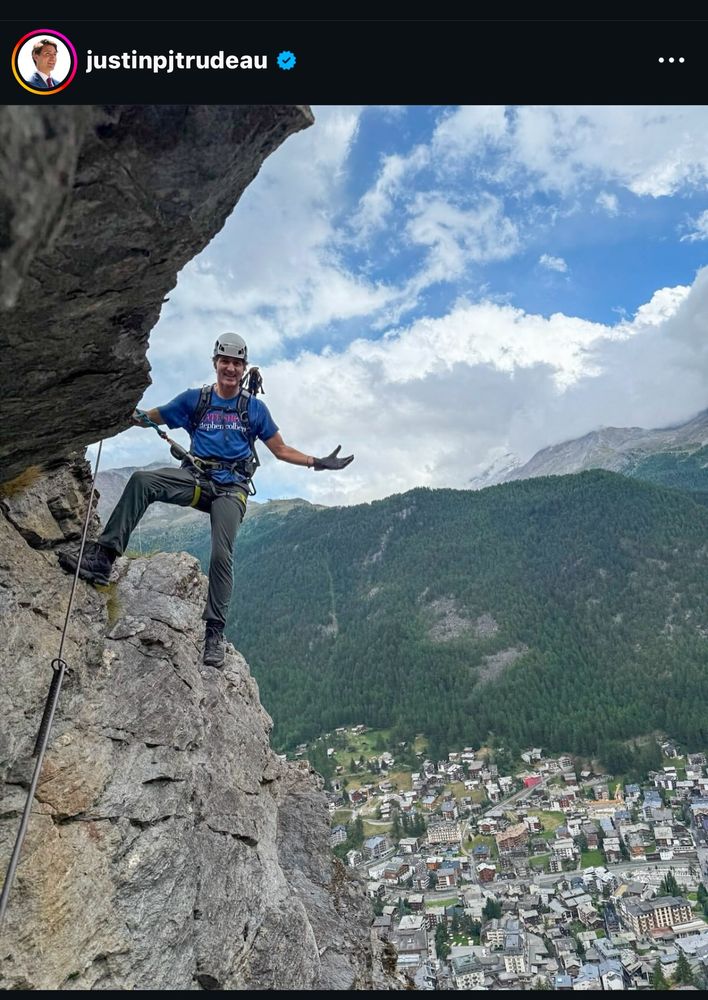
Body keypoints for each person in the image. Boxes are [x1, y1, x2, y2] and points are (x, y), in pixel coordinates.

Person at [59, 333, 353, 667]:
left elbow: (281, 449)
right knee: (143, 480)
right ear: (215, 363)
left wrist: (317, 462)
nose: (230, 367)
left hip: (231, 489)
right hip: (197, 480)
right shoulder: (194, 401)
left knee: (221, 552)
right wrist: (109, 410)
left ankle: (214, 633)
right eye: (225, 361)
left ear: (243, 369)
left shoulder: (253, 409)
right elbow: (148, 418)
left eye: (237, 363)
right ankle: (102, 560)